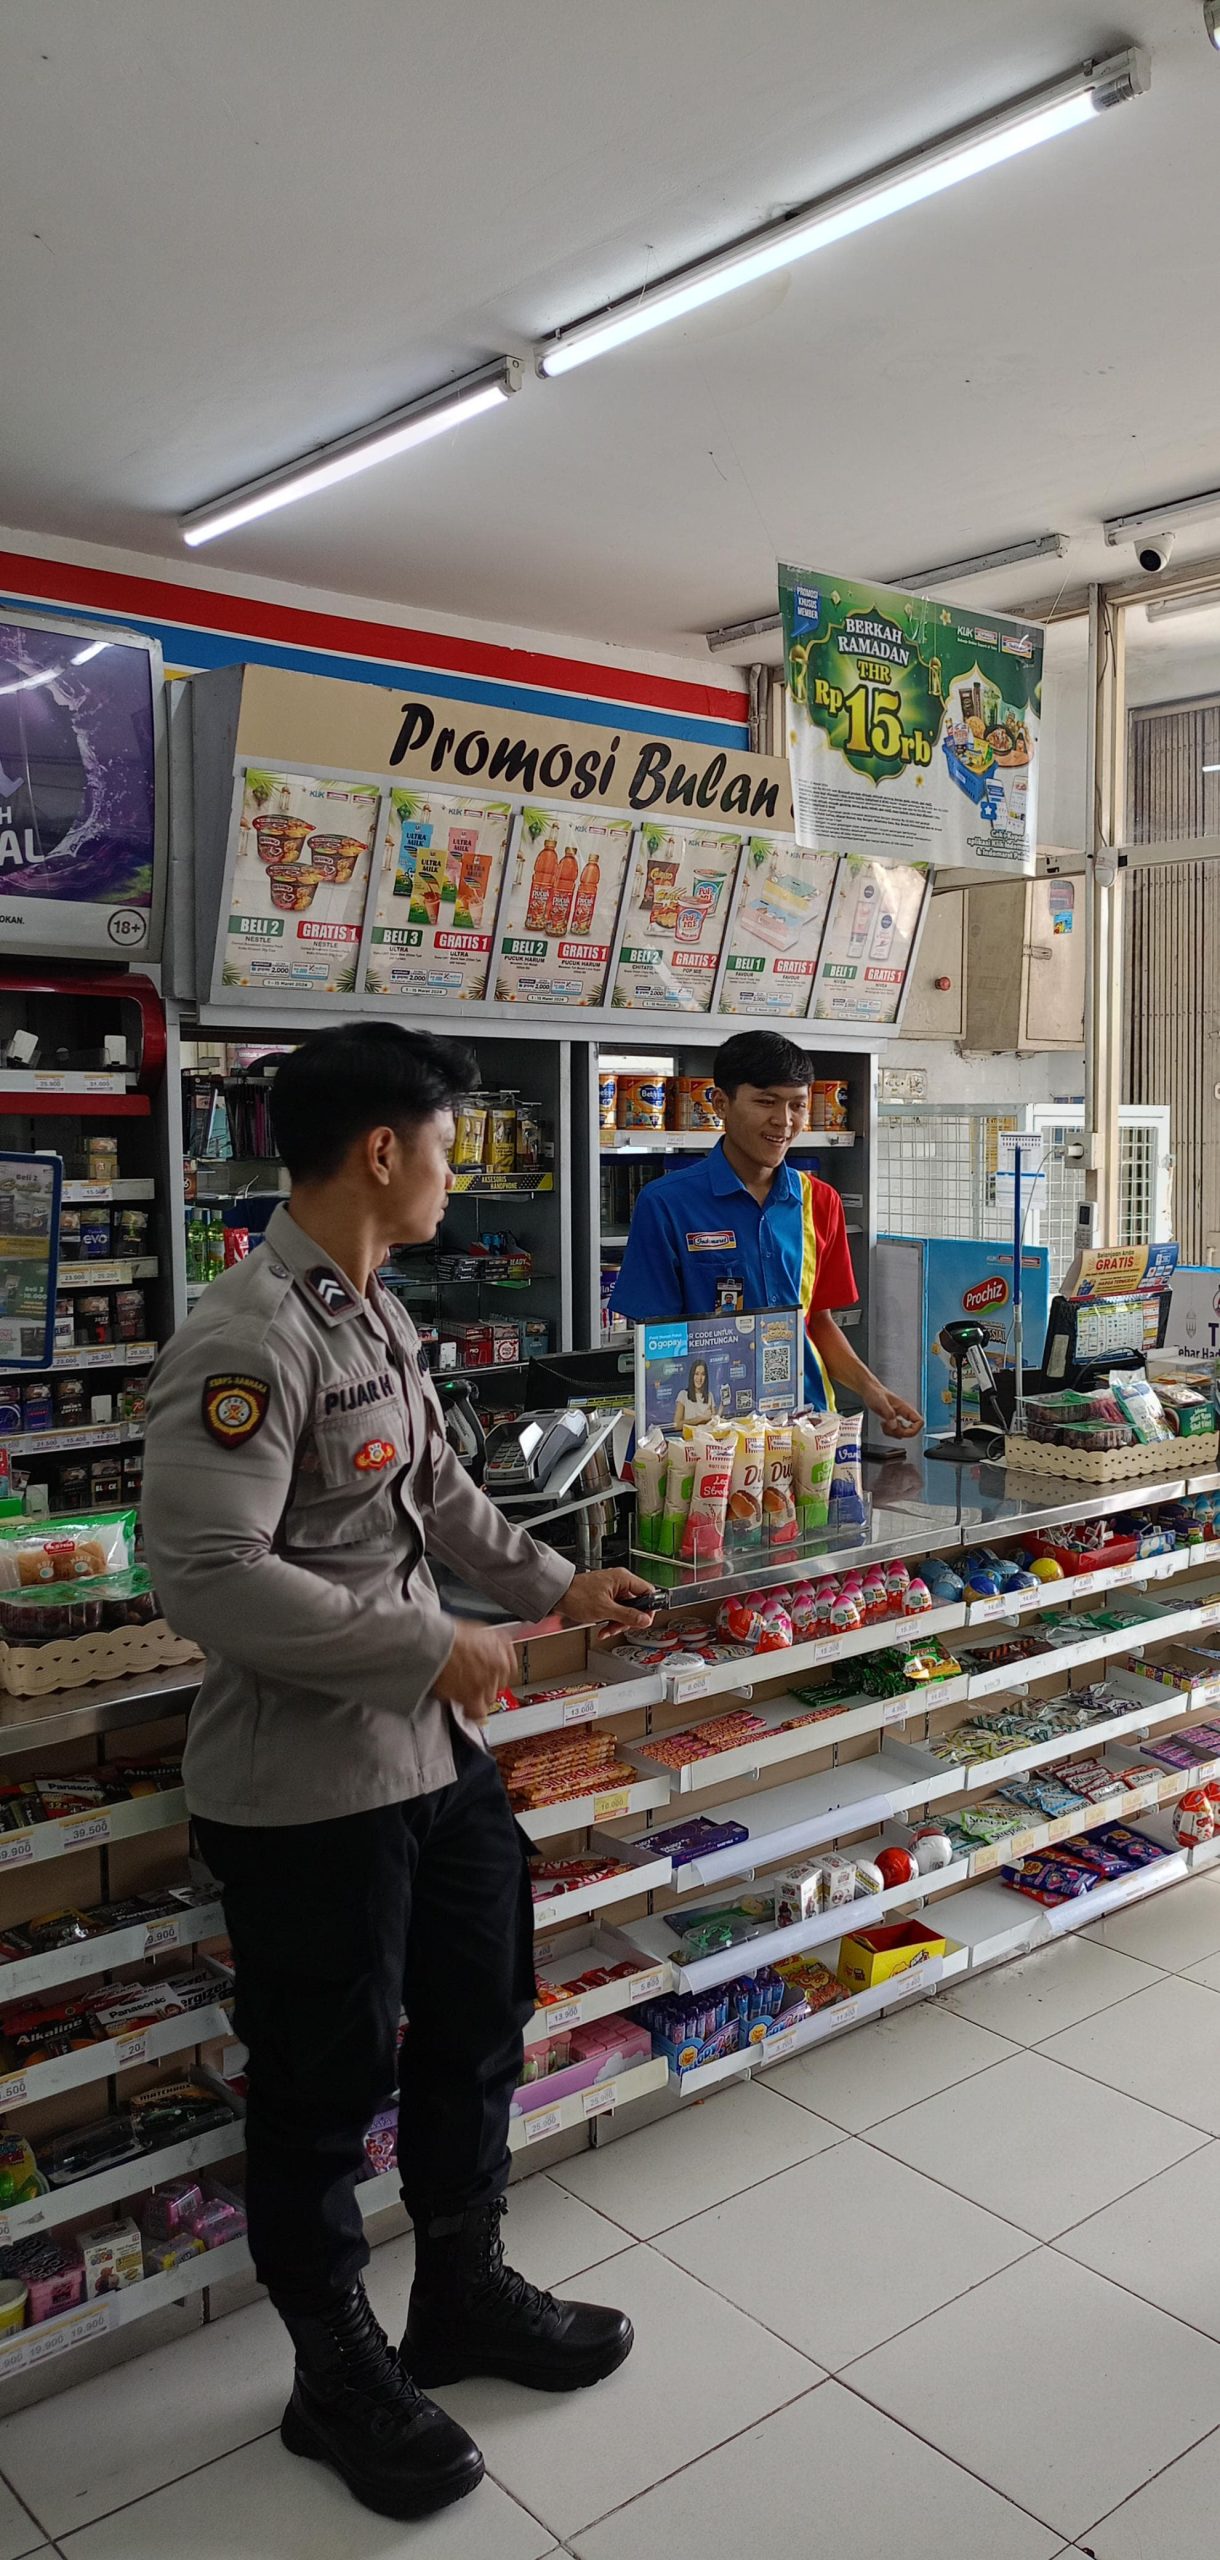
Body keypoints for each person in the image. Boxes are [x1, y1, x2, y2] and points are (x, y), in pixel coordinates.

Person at [143, 1023, 656, 2527]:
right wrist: (425, 1647)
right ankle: (333, 2370)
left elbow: (429, 1485)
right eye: (444, 1139)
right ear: (383, 1149)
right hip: (310, 1790)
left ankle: (461, 2290)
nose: (455, 1165)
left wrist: (555, 1584)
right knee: (321, 2086)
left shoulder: (367, 1306)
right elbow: (205, 1573)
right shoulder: (248, 1336)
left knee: (479, 2019)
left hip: (434, 1764)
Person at [610, 1028, 922, 1437]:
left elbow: (818, 1322)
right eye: (766, 1101)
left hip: (808, 1427)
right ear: (721, 1103)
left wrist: (872, 1389)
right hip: (711, 1438)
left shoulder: (820, 1201)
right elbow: (658, 1342)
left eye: (797, 1105)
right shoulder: (666, 1203)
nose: (784, 1121)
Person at [672, 1357, 714, 1428]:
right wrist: (700, 1418)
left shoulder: (709, 1395)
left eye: (703, 1374)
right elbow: (677, 1425)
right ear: (692, 1375)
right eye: (696, 1374)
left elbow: (714, 1421)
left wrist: (722, 1407)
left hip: (706, 1434)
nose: (699, 1378)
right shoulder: (683, 1395)